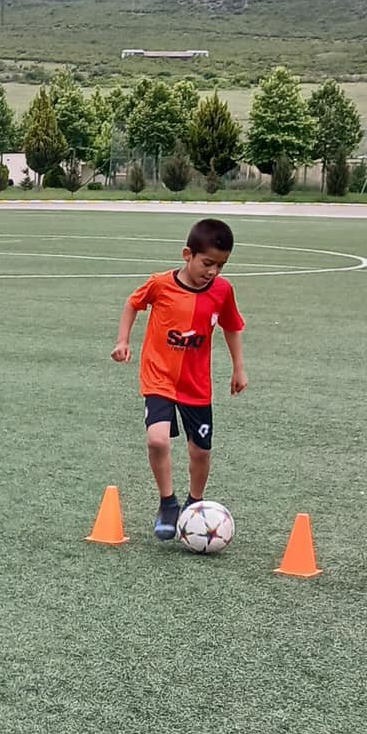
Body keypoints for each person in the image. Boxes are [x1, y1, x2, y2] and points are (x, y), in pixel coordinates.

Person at [112, 217, 247, 539]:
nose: (213, 272)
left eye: (221, 265)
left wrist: (239, 367)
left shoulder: (222, 291)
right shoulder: (160, 284)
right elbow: (133, 304)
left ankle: (194, 504)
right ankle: (168, 503)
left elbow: (232, 326)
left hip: (196, 385)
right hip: (159, 377)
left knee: (200, 452)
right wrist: (123, 341)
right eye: (207, 263)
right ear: (188, 254)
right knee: (157, 439)